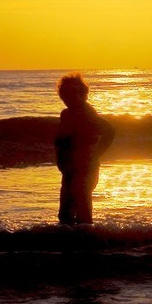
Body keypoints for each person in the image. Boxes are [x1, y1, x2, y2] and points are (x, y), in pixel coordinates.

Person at [54, 73, 115, 225]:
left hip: (86, 169)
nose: (68, 97)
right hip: (69, 169)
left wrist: (96, 154)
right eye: (65, 93)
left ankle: (87, 241)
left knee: (82, 209)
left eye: (72, 93)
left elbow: (109, 130)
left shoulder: (86, 112)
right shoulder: (66, 114)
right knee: (65, 214)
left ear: (82, 94)